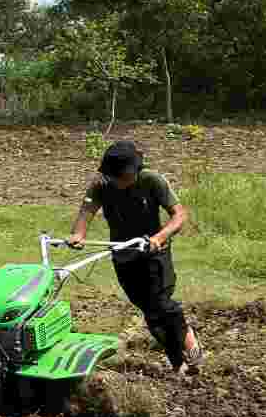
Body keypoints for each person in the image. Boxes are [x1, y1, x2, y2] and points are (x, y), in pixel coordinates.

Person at [66, 139, 204, 375]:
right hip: (123, 255)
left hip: (154, 252)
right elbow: (86, 211)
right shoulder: (100, 185)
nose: (119, 181)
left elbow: (179, 215)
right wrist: (78, 234)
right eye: (114, 177)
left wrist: (159, 237)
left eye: (124, 177)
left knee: (161, 304)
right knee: (150, 314)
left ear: (135, 170)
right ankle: (178, 363)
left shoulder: (152, 180)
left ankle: (189, 340)